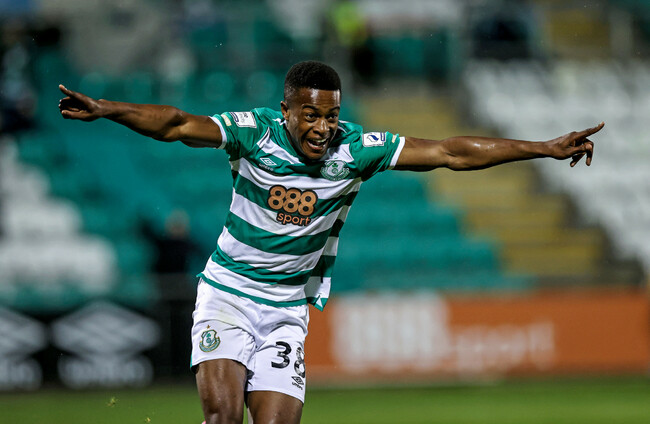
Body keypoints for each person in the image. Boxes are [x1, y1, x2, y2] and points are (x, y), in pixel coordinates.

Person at [58, 60, 601, 424]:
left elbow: (448, 152)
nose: (322, 127)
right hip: (227, 295)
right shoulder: (255, 132)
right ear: (287, 110)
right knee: (222, 418)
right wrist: (108, 109)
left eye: (332, 114)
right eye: (311, 114)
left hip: (286, 309)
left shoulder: (356, 149)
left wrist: (543, 148)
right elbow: (177, 124)